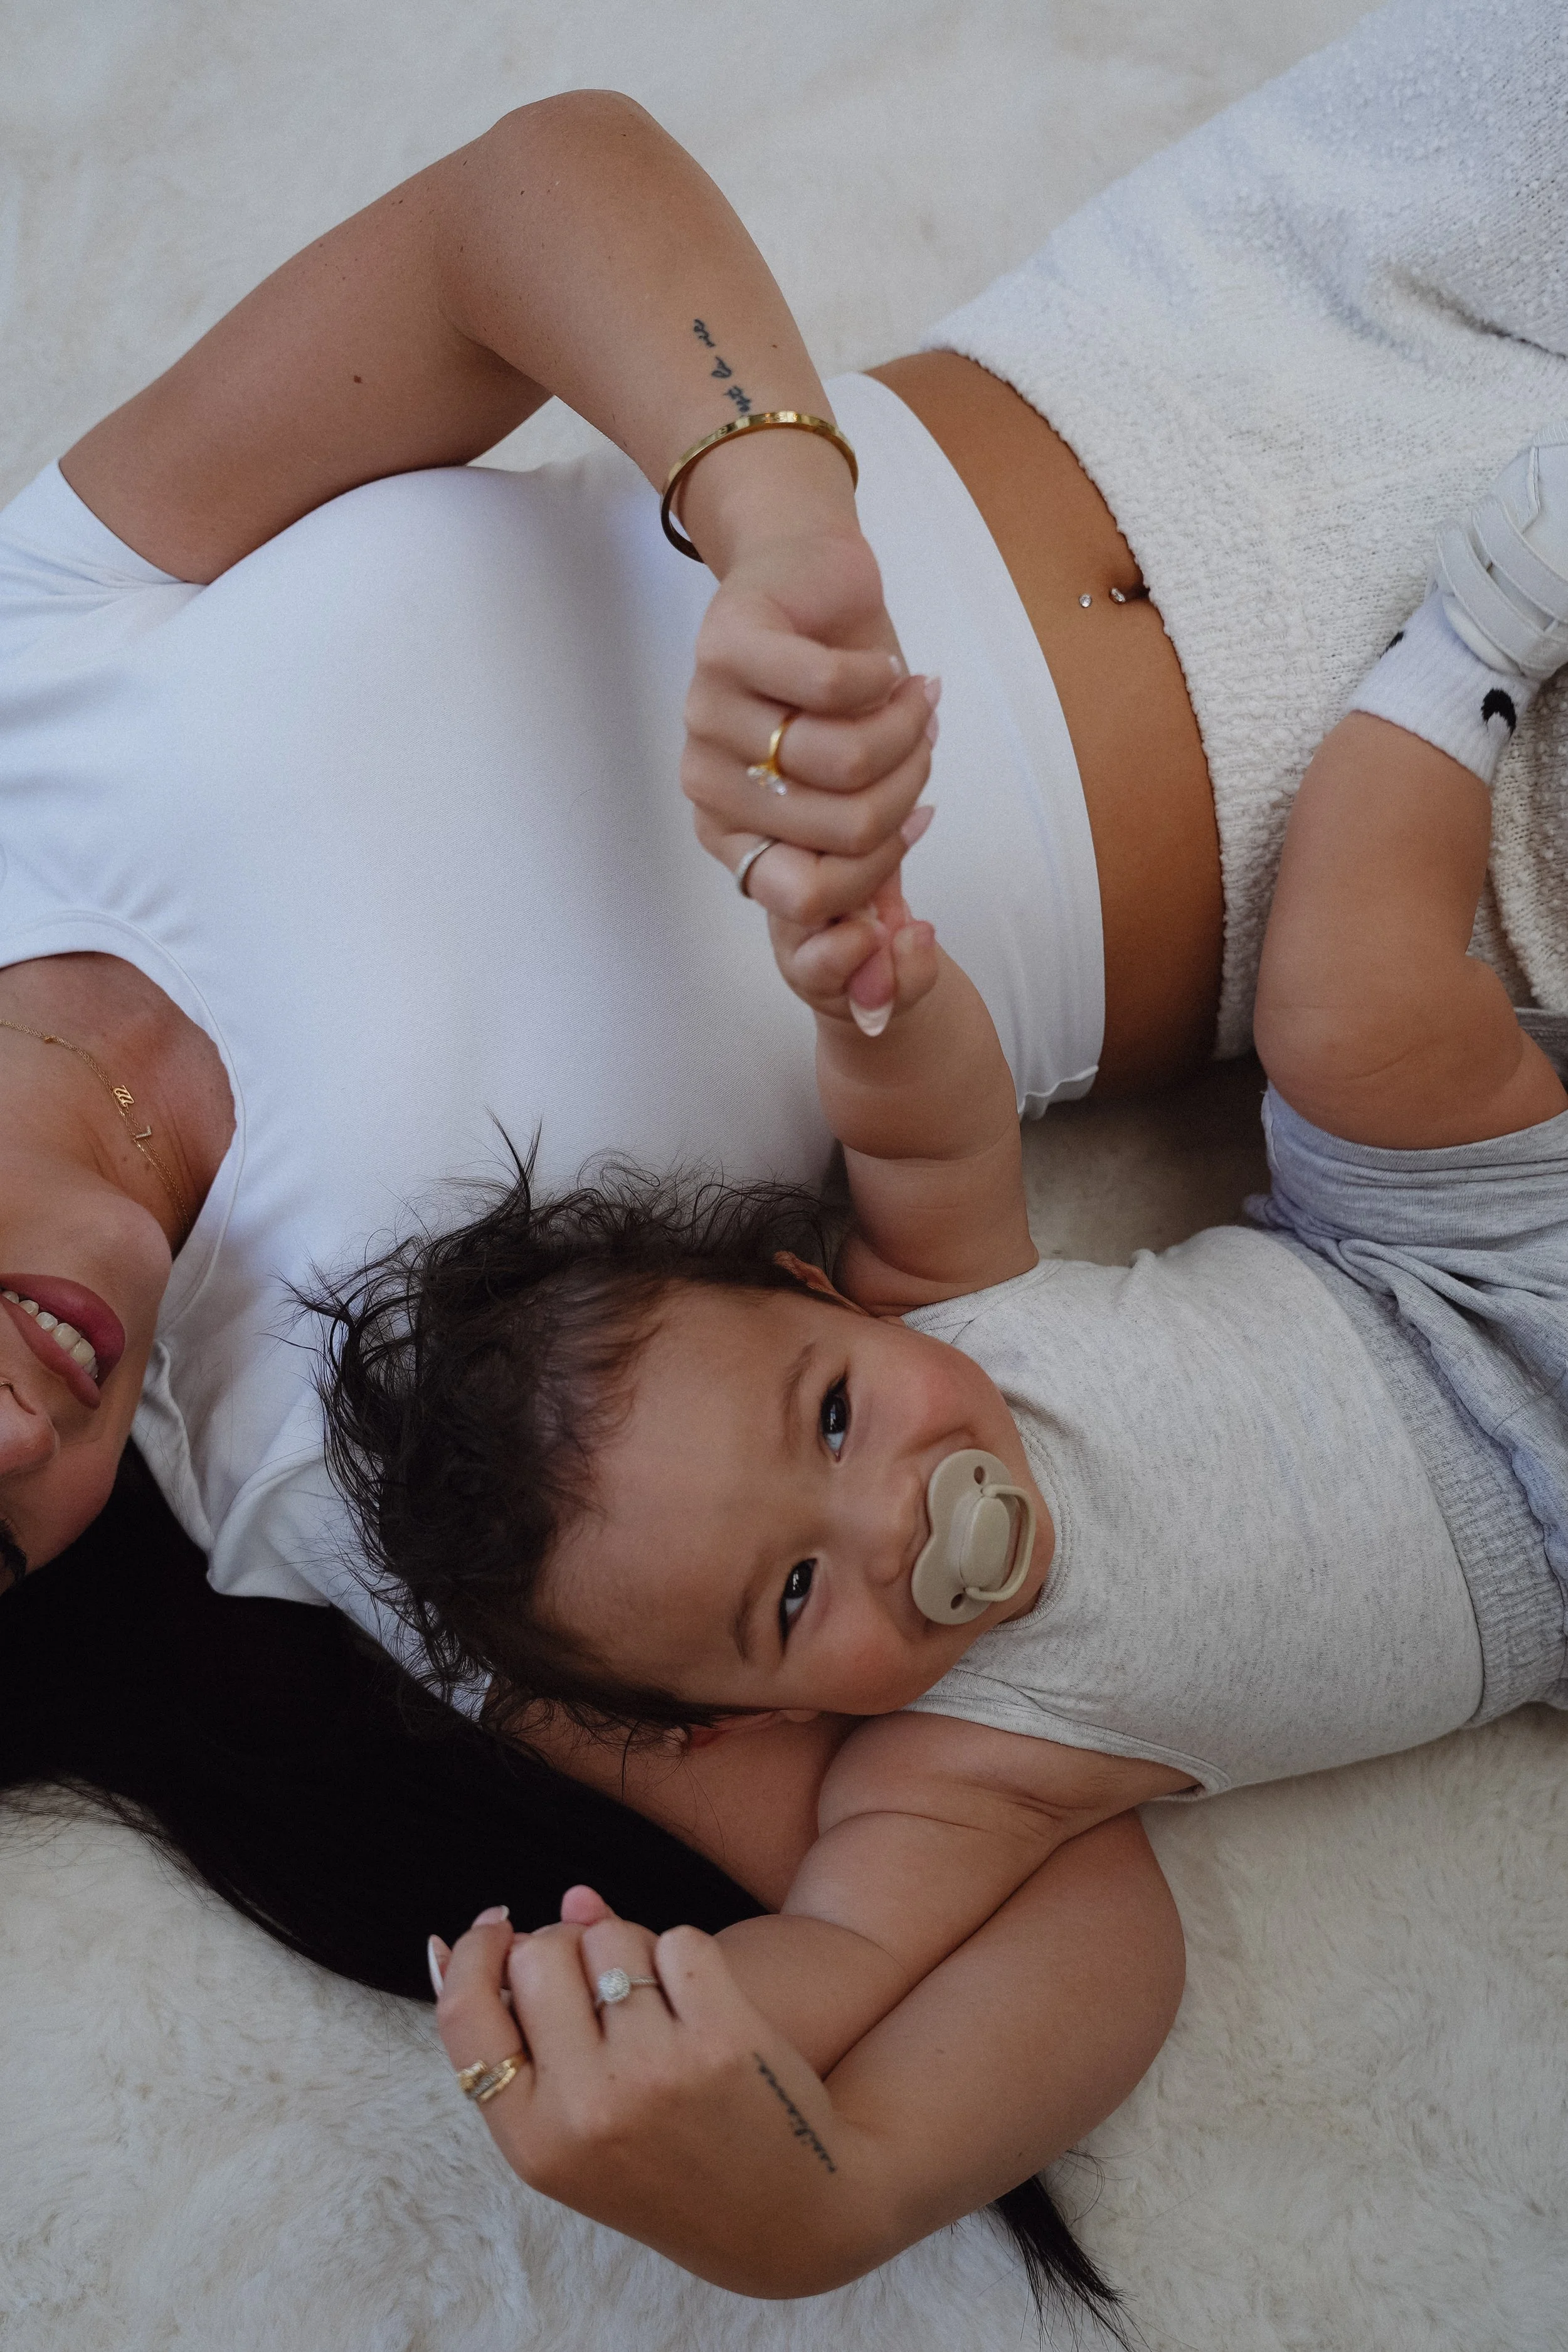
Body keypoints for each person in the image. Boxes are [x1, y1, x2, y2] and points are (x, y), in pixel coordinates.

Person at [0, 0, 1562, 2300]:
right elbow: (1051, 1788)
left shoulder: (31, 680)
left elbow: (513, 201)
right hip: (1485, 873)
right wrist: (838, 2181)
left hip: (1264, 284)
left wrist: (769, 512)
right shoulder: (350, 1480)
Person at [422, 425, 1568, 2287]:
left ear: (826, 1295)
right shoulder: (945, 1772)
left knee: (1340, 1012)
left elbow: (931, 1128)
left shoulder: (938, 1301)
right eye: (793, 1592)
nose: (893, 1517)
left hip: (1433, 1259)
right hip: (1549, 1574)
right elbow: (840, 1962)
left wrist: (872, 987)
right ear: (749, 1715)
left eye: (833, 1414)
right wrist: (654, 2013)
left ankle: (1472, 641)